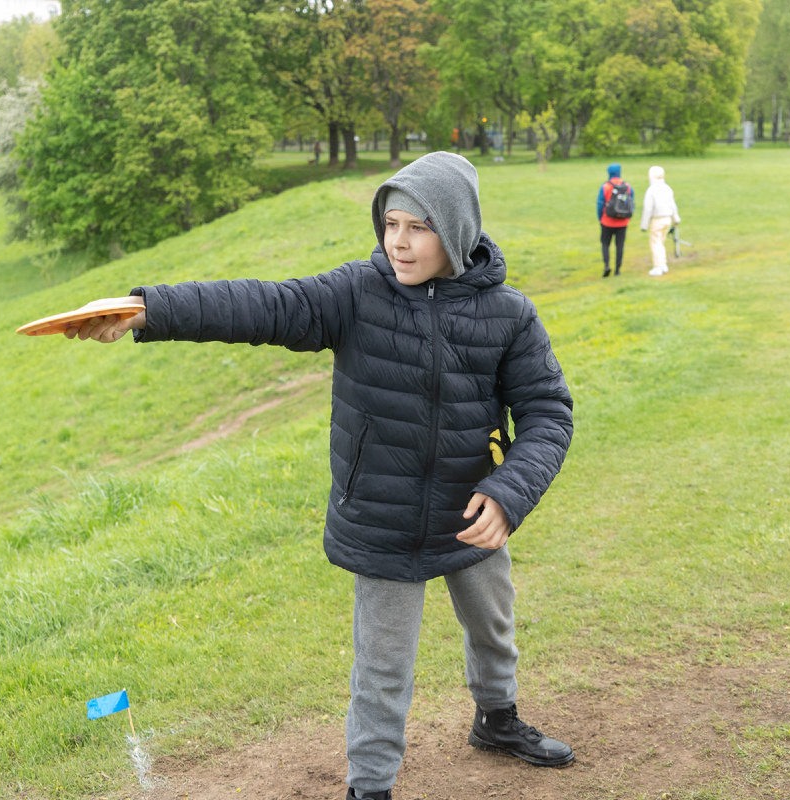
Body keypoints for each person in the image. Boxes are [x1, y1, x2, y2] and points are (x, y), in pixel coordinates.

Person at [62, 152, 575, 800]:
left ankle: (497, 722)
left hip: (473, 513)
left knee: (494, 630)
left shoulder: (510, 315)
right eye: (390, 222)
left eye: (417, 226)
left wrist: (509, 493)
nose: (398, 240)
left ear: (456, 230)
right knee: (382, 672)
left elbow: (549, 412)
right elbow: (263, 306)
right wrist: (148, 309)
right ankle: (371, 789)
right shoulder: (354, 296)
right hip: (382, 522)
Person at [639, 165, 681, 277]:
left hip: (657, 220)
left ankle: (658, 267)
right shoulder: (667, 188)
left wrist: (644, 225)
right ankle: (663, 264)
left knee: (655, 243)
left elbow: (648, 209)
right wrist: (675, 218)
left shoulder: (651, 190)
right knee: (661, 243)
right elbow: (673, 205)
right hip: (667, 219)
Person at [596, 163, 633, 277]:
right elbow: (631, 204)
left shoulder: (606, 186)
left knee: (605, 244)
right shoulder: (627, 186)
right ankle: (617, 270)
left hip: (607, 222)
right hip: (622, 222)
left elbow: (600, 204)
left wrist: (600, 218)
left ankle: (607, 266)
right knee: (619, 245)